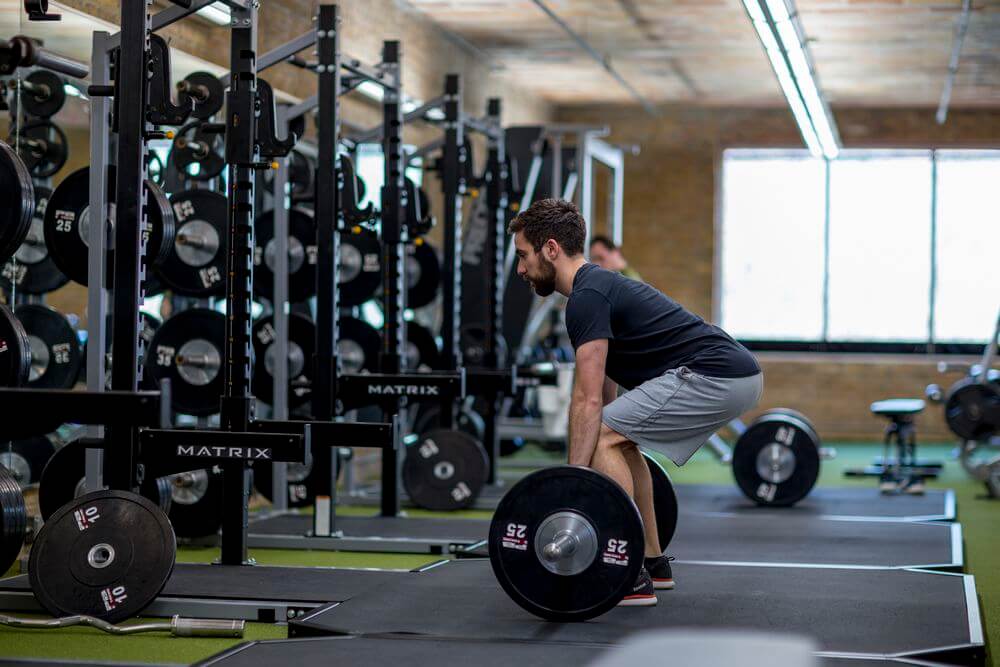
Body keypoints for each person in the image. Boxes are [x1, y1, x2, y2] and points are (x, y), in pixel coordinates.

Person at [509, 199, 763, 607]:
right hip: (734, 373)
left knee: (606, 437)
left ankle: (626, 569)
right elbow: (604, 396)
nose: (521, 269)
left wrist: (573, 482)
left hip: (718, 373)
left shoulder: (586, 297)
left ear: (551, 249)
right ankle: (652, 562)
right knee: (619, 439)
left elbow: (586, 401)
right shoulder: (597, 289)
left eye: (523, 255)